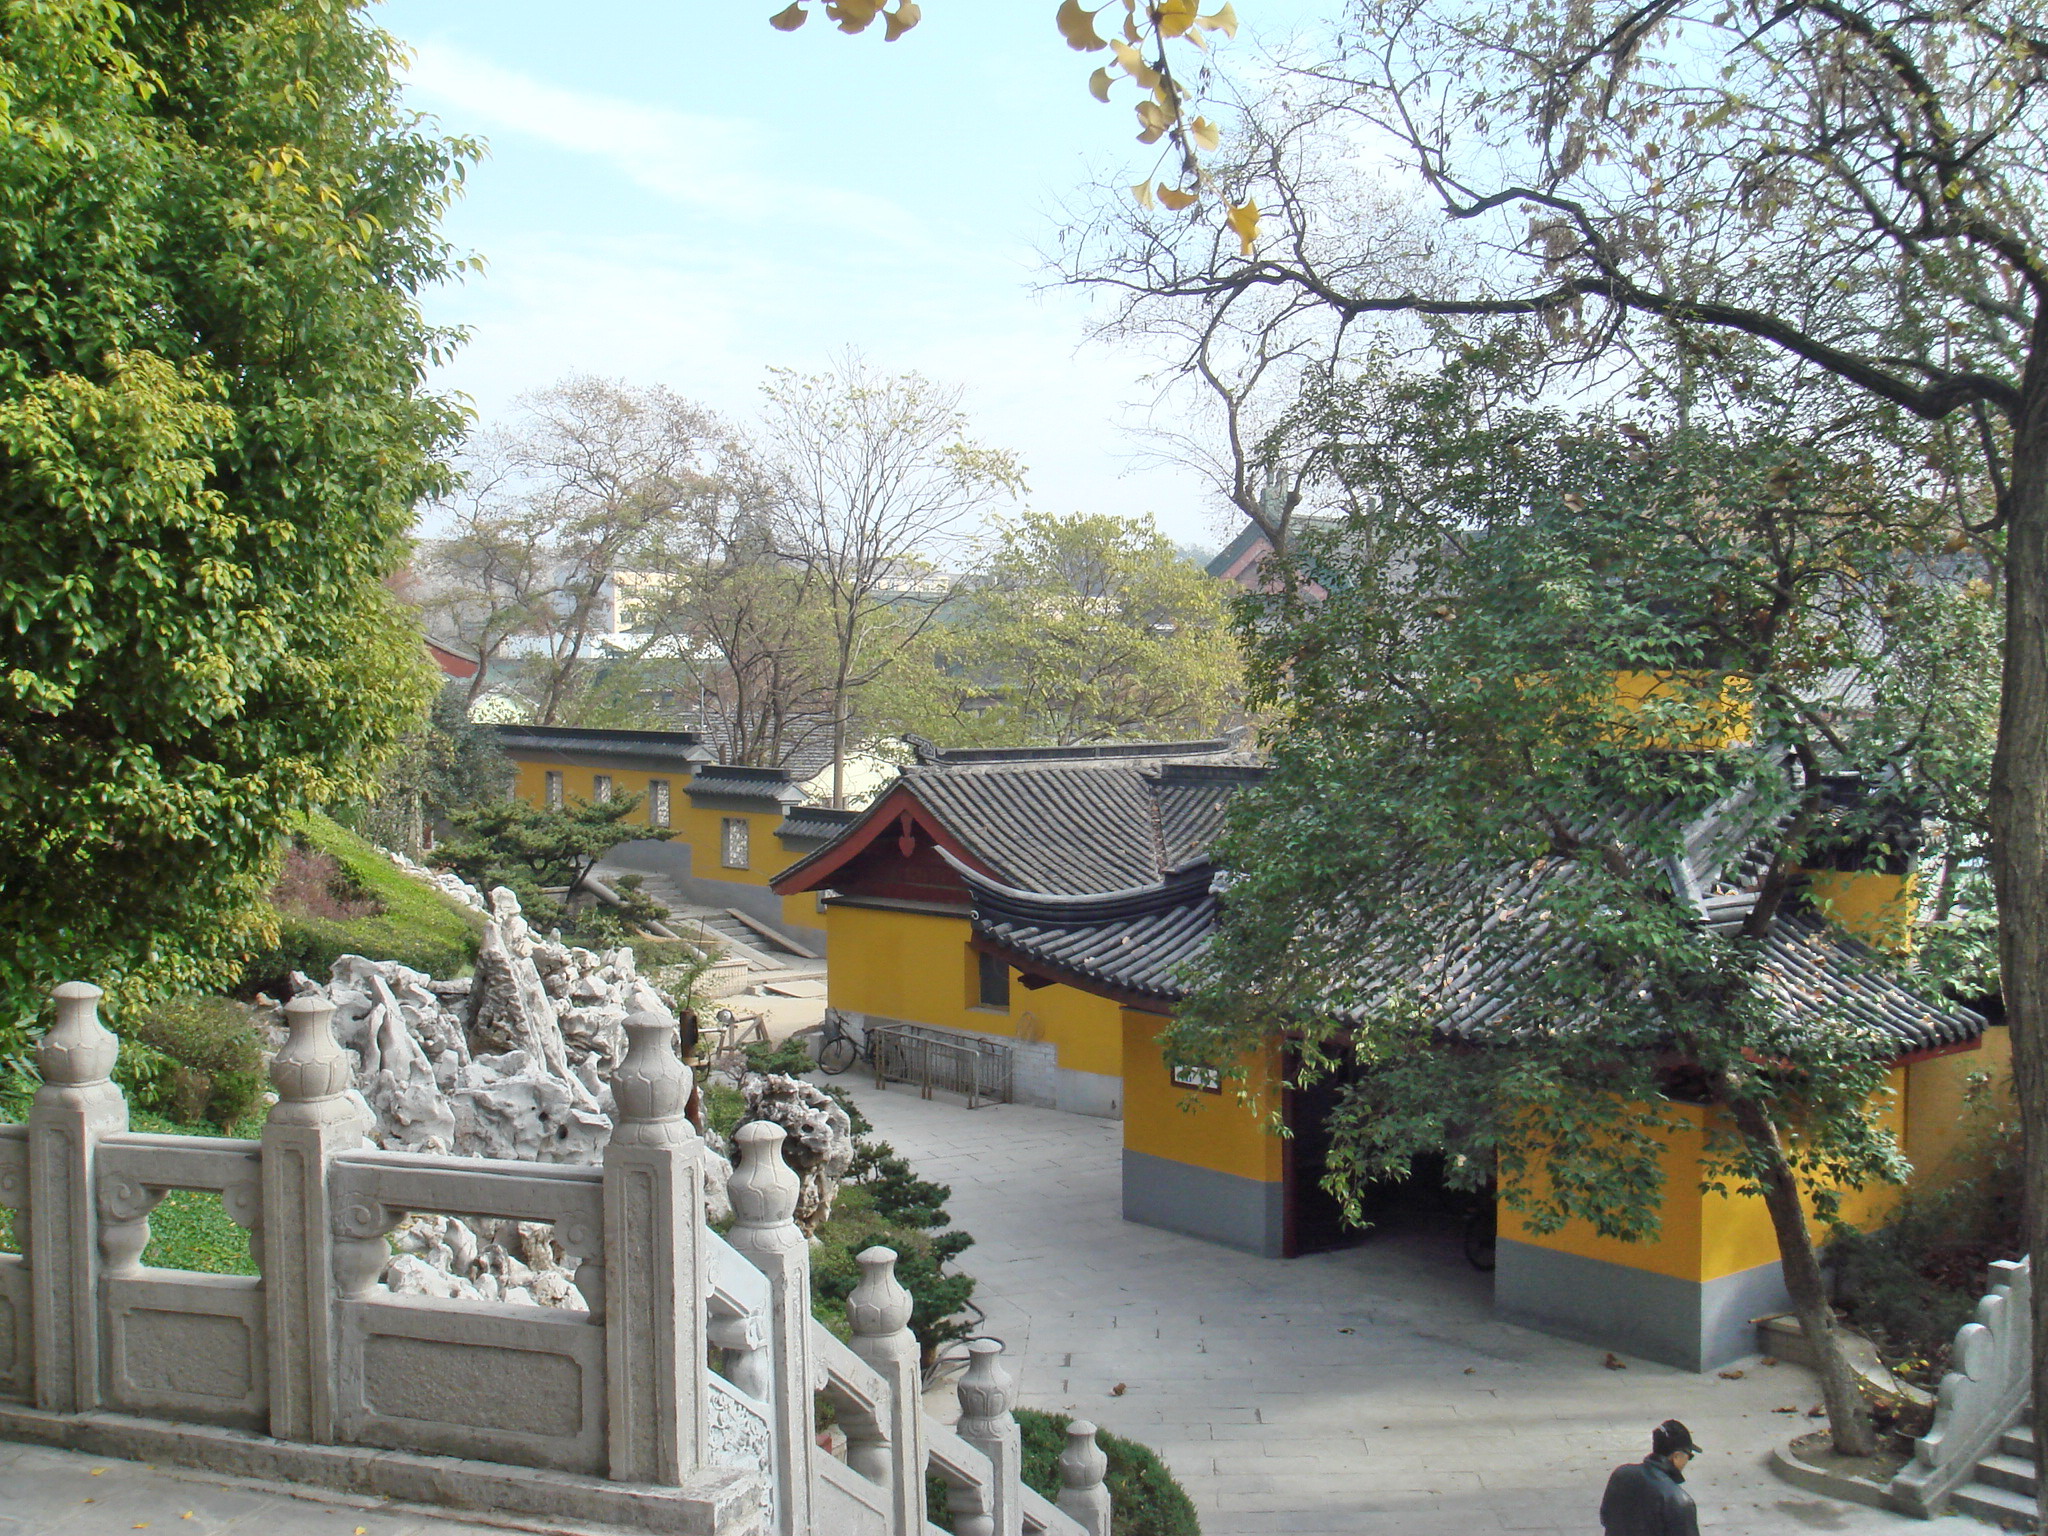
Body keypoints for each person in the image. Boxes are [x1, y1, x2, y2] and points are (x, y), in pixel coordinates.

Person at [1599, 1419, 1702, 1536]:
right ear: (1676, 1456)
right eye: (1689, 1456)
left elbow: (1606, 1517)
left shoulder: (1621, 1474)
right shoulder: (1680, 1501)